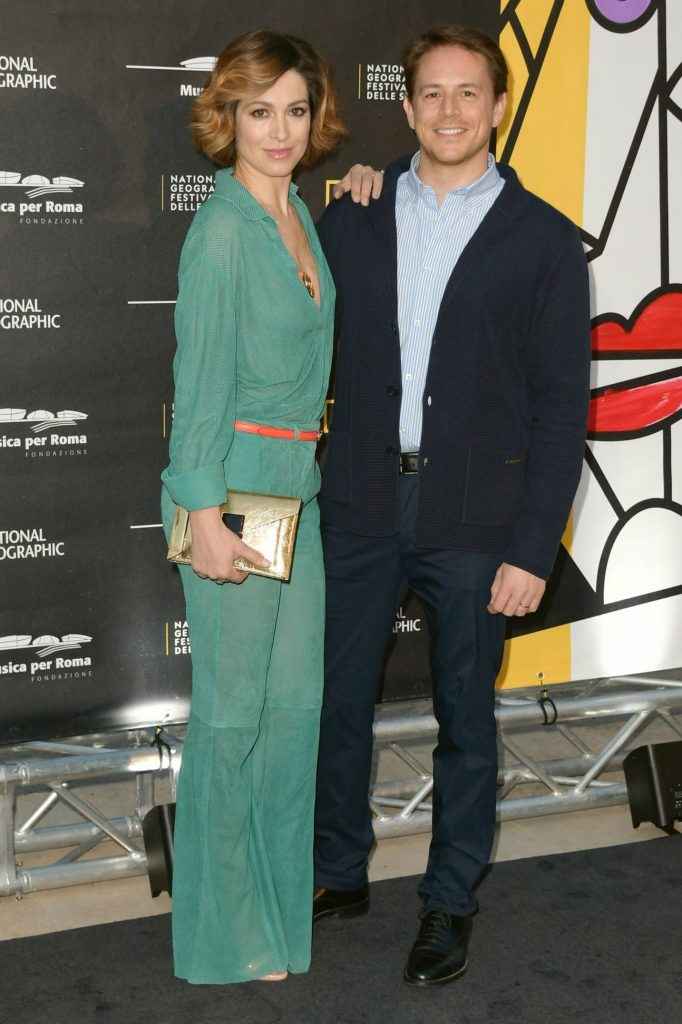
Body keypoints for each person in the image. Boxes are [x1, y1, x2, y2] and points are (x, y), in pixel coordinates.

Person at [313, 24, 591, 987]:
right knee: (336, 702)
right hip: (357, 500)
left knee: (466, 718)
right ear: (406, 105)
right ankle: (337, 872)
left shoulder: (546, 240)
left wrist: (534, 547)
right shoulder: (355, 213)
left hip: (479, 520)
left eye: (469, 92)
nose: (449, 110)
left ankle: (447, 901)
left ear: (499, 106)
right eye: (431, 92)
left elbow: (562, 410)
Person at [161, 29, 355, 985]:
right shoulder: (223, 231)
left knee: (292, 717)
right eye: (259, 111)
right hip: (233, 489)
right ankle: (223, 935)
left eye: (296, 110)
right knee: (233, 720)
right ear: (227, 118)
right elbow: (197, 386)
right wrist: (203, 515)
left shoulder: (299, 215)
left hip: (297, 493)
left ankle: (276, 921)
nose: (280, 130)